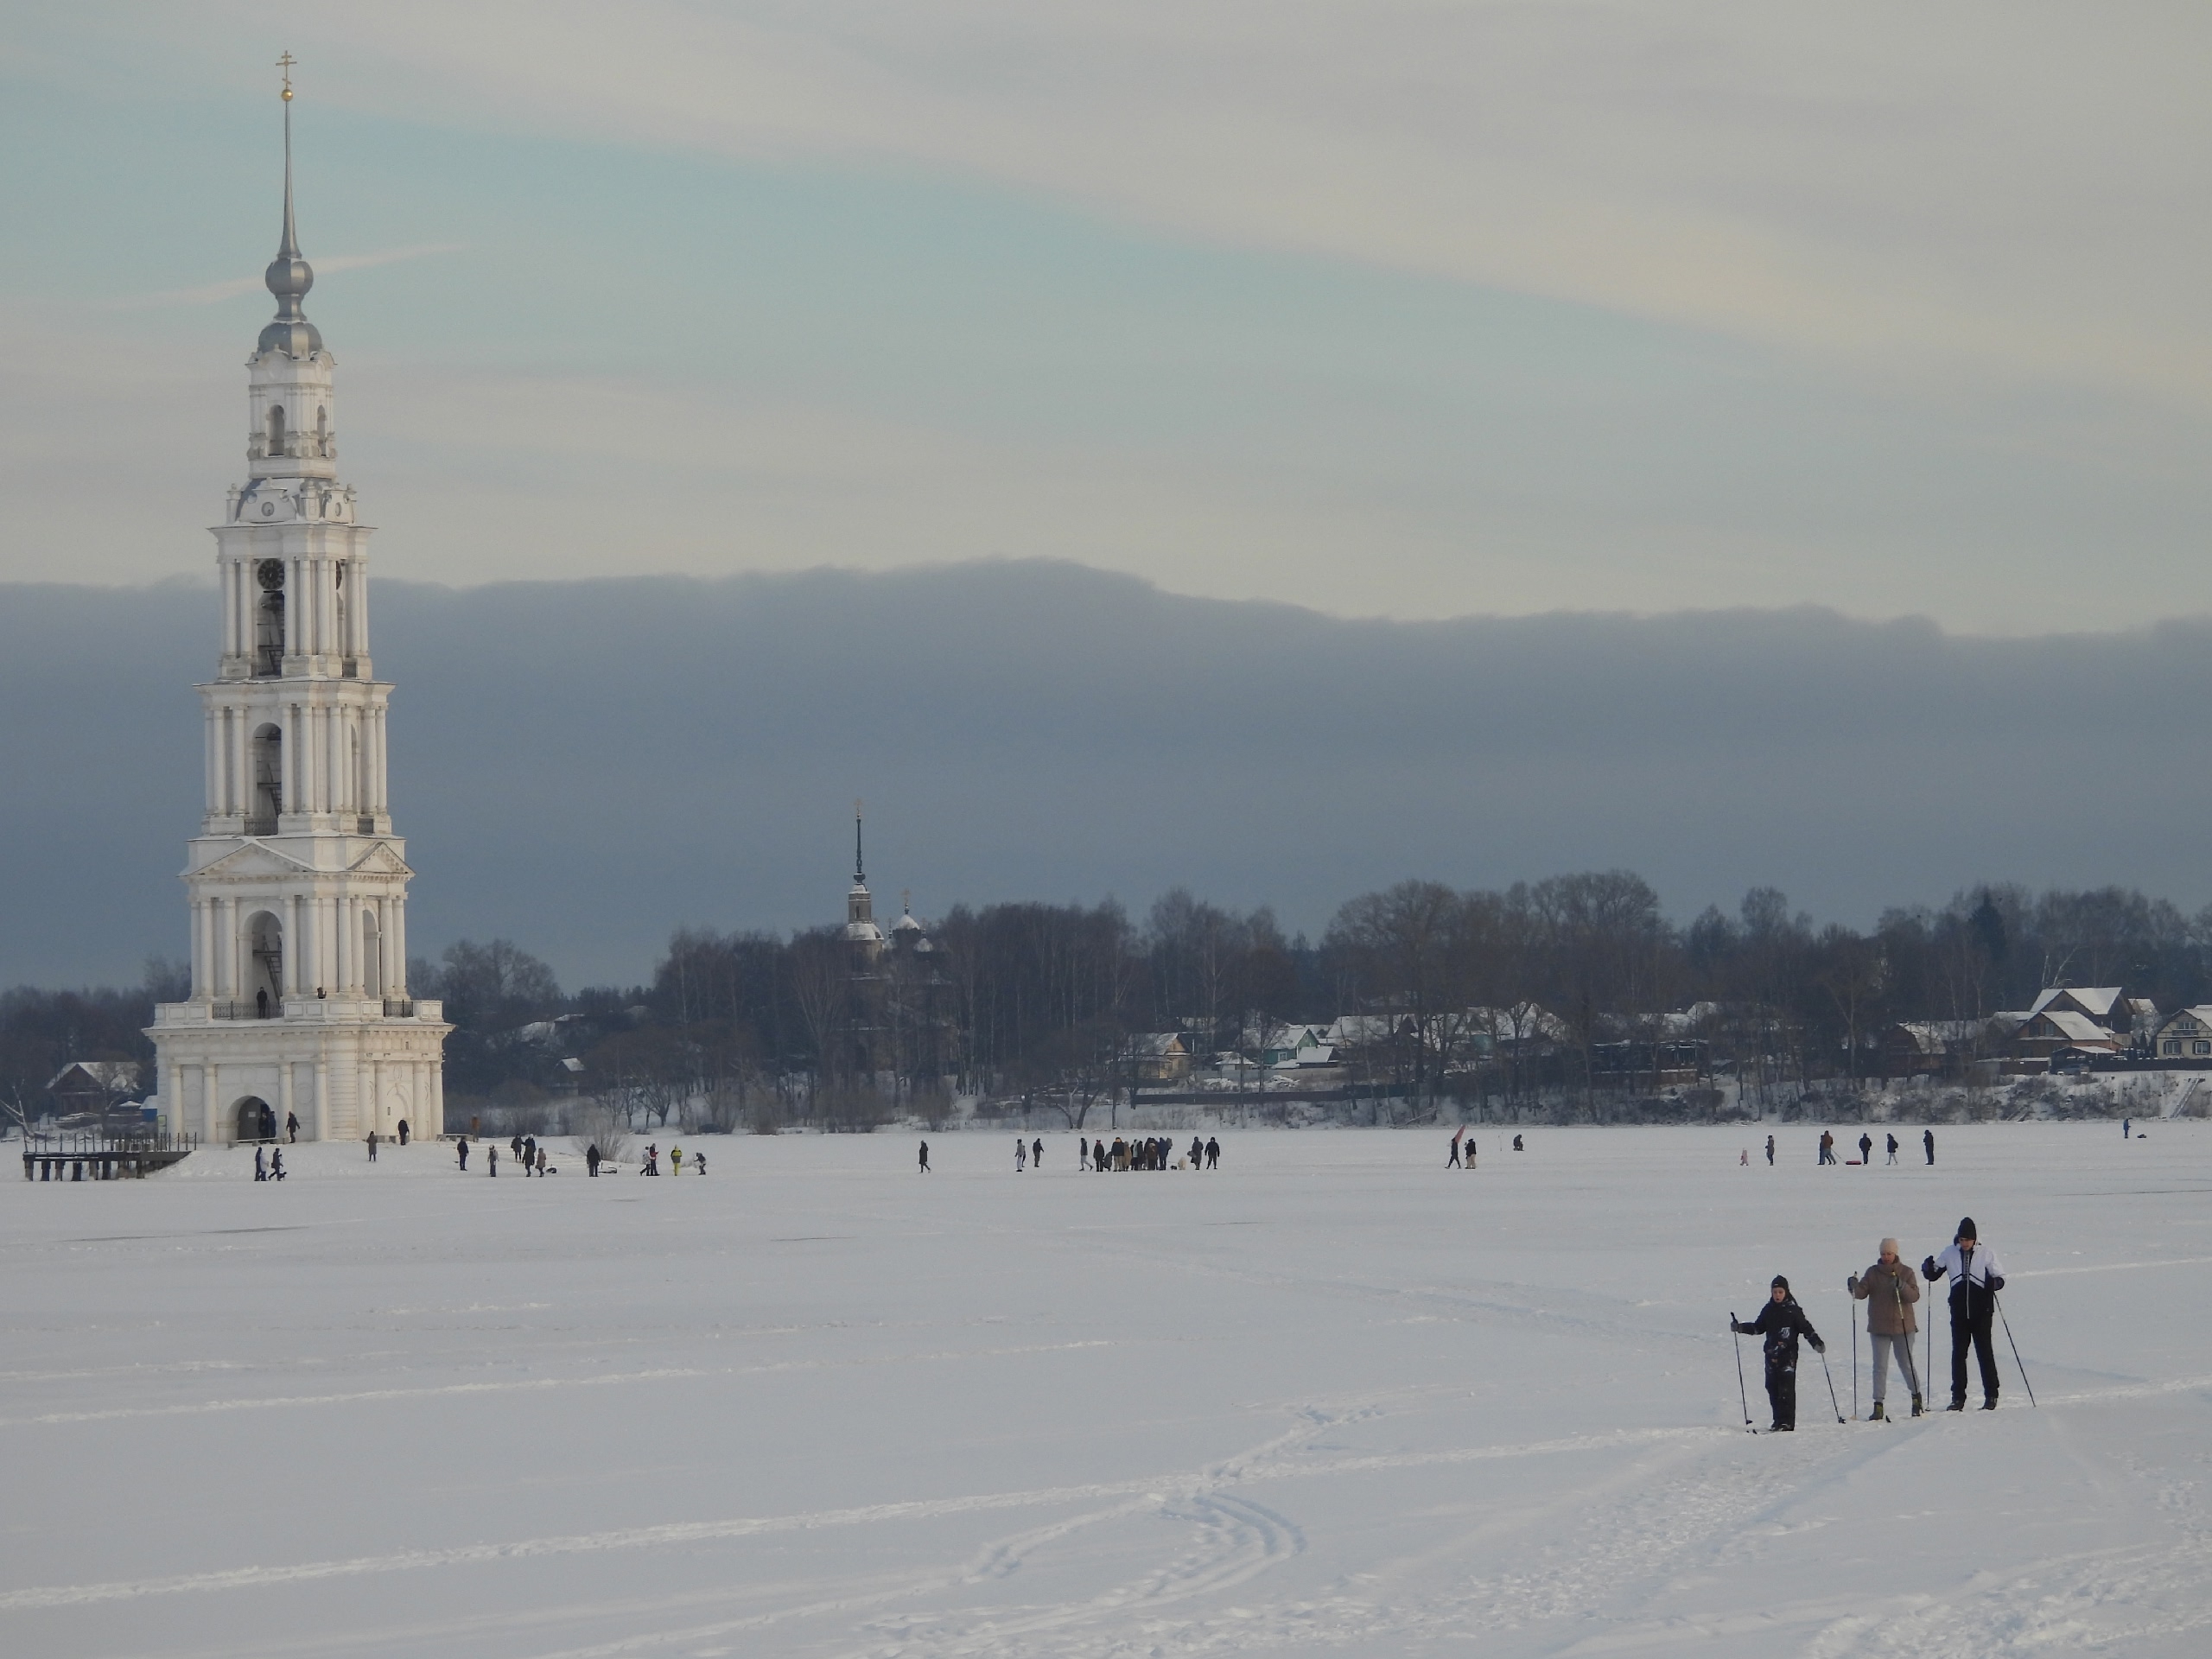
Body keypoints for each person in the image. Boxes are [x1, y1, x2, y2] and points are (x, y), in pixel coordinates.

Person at [1924, 1217, 2005, 1410]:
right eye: (1962, 1239)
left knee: (1984, 1353)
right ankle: (1958, 1398)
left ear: (1974, 1239)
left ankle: (1991, 1395)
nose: (1964, 1243)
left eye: (1968, 1240)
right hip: (1959, 1312)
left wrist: (1992, 1284)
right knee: (1959, 1354)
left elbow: (2001, 1278)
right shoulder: (1950, 1252)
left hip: (1982, 1312)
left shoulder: (1986, 1253)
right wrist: (1927, 1268)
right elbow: (1934, 1274)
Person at [1732, 1276, 1825, 1432]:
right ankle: (1777, 1420)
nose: (1777, 1295)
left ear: (1786, 1292)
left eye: (1780, 1292)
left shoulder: (1793, 1310)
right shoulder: (1769, 1309)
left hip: (1788, 1356)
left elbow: (1806, 1328)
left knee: (1786, 1388)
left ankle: (1787, 1422)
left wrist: (1816, 1343)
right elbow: (1758, 1327)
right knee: (1772, 1387)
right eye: (1775, 1292)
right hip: (1770, 1356)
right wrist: (1740, 1328)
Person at [1849, 1237, 1923, 1419]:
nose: (1886, 1257)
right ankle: (1878, 1404)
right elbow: (1861, 1293)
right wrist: (1853, 1286)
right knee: (1879, 1367)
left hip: (1903, 1327)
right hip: (1879, 1327)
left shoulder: (1906, 1272)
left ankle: (1916, 1397)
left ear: (1895, 1253)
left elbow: (1914, 1296)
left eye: (1889, 1253)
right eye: (1883, 1254)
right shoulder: (1873, 1272)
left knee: (1905, 1364)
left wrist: (1902, 1286)